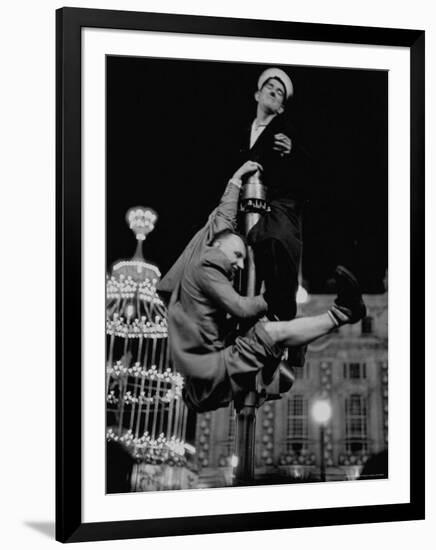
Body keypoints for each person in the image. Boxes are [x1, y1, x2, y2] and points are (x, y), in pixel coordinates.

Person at [158, 161, 366, 413]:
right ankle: (343, 313)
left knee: (275, 324)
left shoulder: (213, 245)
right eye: (236, 256)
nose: (240, 263)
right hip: (210, 378)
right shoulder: (205, 269)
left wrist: (236, 179)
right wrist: (271, 298)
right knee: (271, 333)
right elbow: (241, 308)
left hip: (217, 352)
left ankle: (280, 354)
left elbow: (223, 216)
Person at [234, 67, 309, 322]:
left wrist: (293, 151)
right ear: (257, 94)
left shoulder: (287, 131)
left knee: (274, 241)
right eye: (270, 89)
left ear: (281, 108)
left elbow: (311, 170)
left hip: (274, 205)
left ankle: (281, 313)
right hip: (238, 204)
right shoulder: (240, 132)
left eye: (280, 94)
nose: (275, 94)